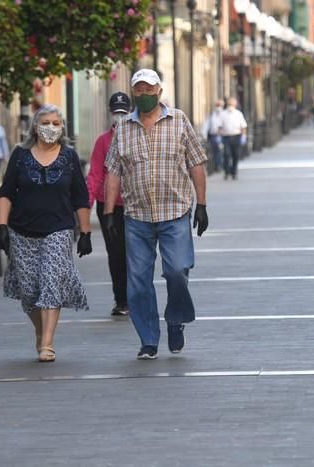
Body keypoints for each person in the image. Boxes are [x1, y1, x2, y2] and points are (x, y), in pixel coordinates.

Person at [103, 68, 208, 360]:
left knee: (176, 271)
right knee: (137, 281)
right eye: (139, 90)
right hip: (136, 217)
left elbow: (196, 163)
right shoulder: (123, 128)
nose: (145, 95)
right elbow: (113, 172)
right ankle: (148, 339)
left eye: (150, 90)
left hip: (174, 213)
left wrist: (202, 205)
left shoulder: (179, 121)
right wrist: (109, 213)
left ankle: (176, 319)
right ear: (133, 92)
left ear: (159, 92)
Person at [0, 104, 92, 363]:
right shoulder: (20, 155)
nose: (51, 128)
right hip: (22, 231)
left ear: (63, 128)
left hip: (58, 230)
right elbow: (6, 193)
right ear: (35, 127)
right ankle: (40, 330)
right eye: (46, 122)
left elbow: (80, 197)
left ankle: (47, 343)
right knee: (28, 291)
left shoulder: (69, 157)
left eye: (56, 123)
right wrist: (1, 227)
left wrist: (85, 232)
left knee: (51, 283)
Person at [86, 92, 131, 317]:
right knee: (115, 252)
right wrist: (86, 206)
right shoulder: (103, 141)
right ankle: (121, 299)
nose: (120, 116)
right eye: (117, 112)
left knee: (135, 252)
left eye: (124, 112)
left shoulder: (137, 137)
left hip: (135, 205)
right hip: (109, 206)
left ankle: (136, 297)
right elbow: (94, 175)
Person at [218, 97, 247, 180]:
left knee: (236, 155)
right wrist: (219, 136)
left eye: (232, 104)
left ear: (235, 104)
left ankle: (234, 172)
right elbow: (219, 126)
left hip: (236, 136)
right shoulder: (223, 114)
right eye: (229, 104)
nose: (230, 106)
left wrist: (244, 136)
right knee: (226, 154)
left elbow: (243, 126)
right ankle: (226, 172)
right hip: (226, 137)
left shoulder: (238, 114)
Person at [202, 99, 225, 173]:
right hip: (213, 136)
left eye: (220, 105)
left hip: (223, 136)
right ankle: (217, 166)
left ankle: (223, 165)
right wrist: (204, 135)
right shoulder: (212, 114)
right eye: (217, 105)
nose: (219, 107)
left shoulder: (225, 114)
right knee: (215, 152)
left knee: (223, 151)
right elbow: (206, 125)